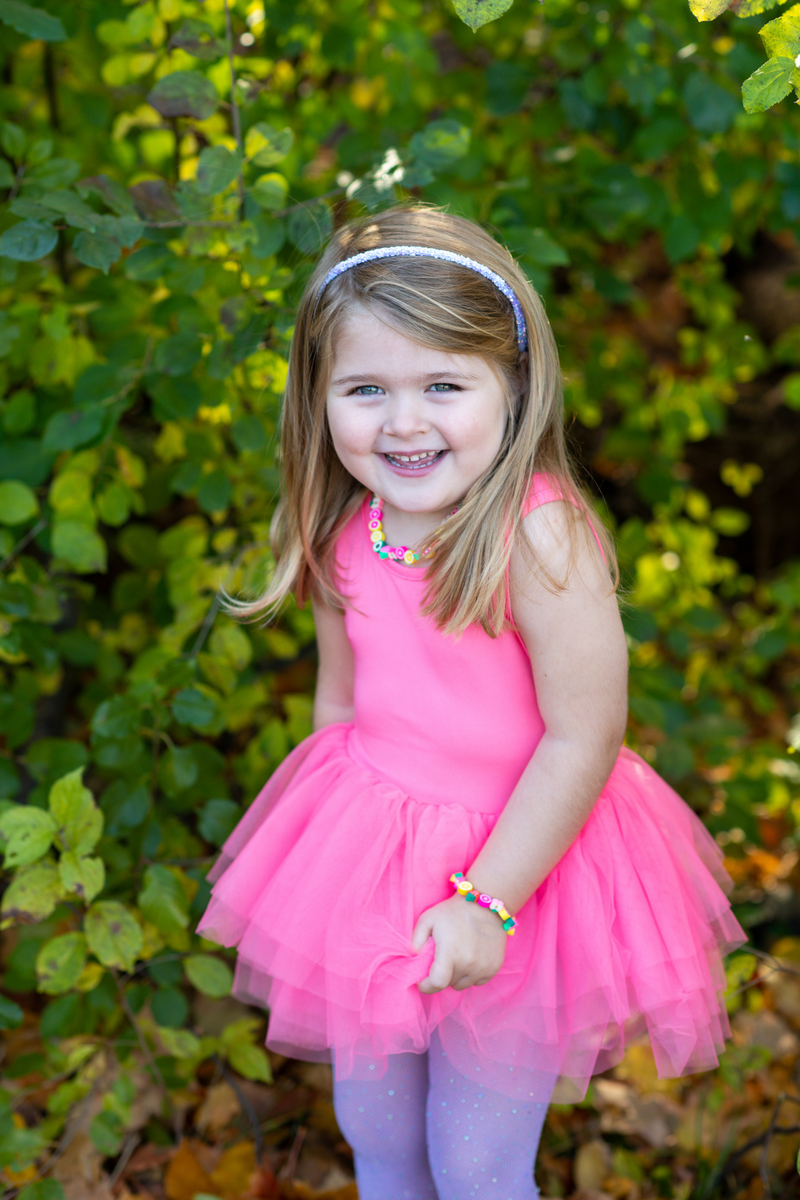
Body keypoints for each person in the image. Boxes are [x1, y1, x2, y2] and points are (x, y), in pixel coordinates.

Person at [197, 205, 746, 1200]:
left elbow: (584, 736)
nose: (403, 423)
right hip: (374, 862)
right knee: (378, 1138)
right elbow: (340, 709)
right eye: (366, 390)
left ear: (513, 385)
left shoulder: (536, 539)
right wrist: (334, 864)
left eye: (441, 386)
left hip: (523, 873)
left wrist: (486, 902)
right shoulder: (342, 528)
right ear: (320, 398)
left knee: (477, 1163)